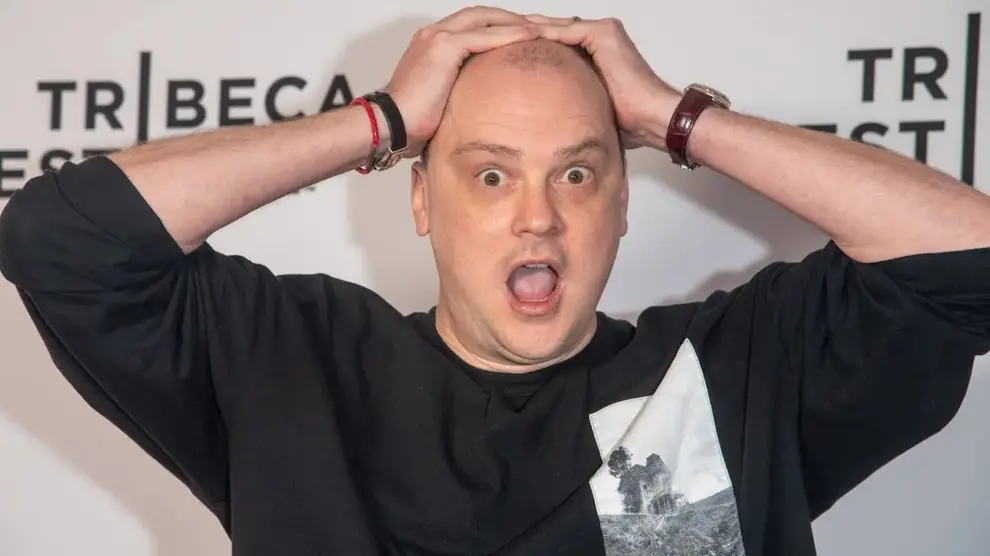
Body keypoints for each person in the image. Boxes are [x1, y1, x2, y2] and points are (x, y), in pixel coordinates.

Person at [1, 6, 988, 555]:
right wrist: (383, 120)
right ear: (420, 200)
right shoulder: (293, 363)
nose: (537, 215)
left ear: (623, 204)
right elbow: (59, 241)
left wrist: (672, 117)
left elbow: (970, 257)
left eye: (577, 173)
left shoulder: (736, 372)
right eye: (489, 175)